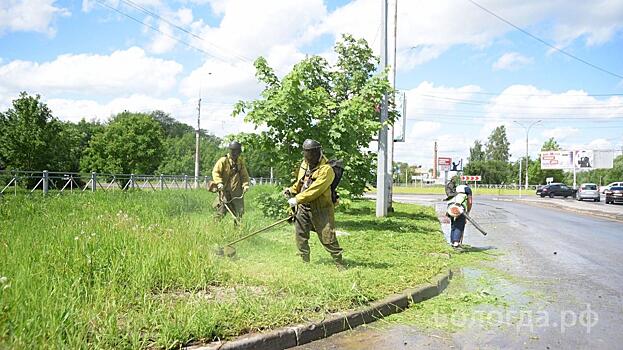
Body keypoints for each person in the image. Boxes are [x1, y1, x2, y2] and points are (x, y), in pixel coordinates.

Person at [284, 139, 344, 268]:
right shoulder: (305, 164)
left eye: (311, 154)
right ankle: (304, 262)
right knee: (300, 234)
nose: (309, 158)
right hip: (303, 207)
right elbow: (302, 182)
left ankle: (339, 262)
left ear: (318, 153)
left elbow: (316, 189)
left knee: (327, 237)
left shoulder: (326, 170)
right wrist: (291, 190)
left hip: (321, 208)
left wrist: (297, 199)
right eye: (306, 154)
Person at [212, 141, 250, 220]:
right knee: (220, 212)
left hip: (237, 192)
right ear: (231, 151)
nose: (235, 153)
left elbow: (244, 175)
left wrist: (245, 185)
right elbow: (215, 172)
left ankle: (237, 230)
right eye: (234, 151)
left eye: (237, 151)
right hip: (225, 191)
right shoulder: (223, 160)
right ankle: (213, 228)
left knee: (238, 213)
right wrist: (219, 183)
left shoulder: (240, 162)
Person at [447, 184, 473, 248]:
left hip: (450, 206)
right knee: (460, 224)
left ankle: (452, 242)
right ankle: (456, 243)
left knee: (453, 224)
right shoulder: (468, 190)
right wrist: (468, 212)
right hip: (460, 208)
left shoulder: (455, 190)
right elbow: (470, 202)